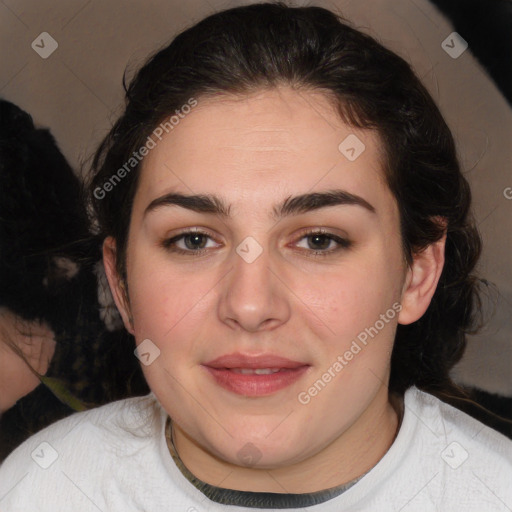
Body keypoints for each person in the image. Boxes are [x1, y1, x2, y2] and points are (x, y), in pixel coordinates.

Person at [0, 2, 511, 510]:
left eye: (319, 240)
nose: (249, 305)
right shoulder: (38, 490)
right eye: (193, 240)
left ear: (417, 275)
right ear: (122, 284)